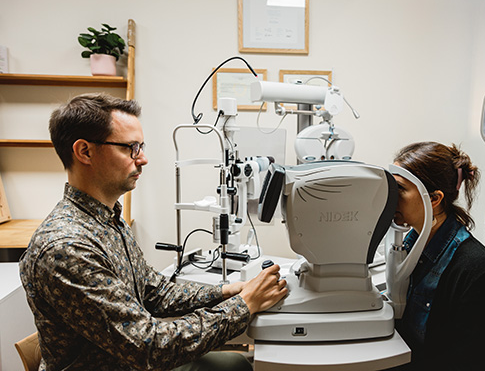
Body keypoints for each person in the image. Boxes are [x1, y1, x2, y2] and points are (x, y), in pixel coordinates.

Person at [19, 93, 288, 371]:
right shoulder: (67, 247)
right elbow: (149, 346)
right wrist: (243, 305)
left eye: (141, 146)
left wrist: (224, 292)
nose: (143, 159)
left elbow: (154, 292)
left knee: (232, 364)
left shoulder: (107, 219)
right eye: (130, 148)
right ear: (85, 151)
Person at [390, 141, 485, 370]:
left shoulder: (475, 271)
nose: (390, 198)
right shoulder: (413, 245)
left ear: (434, 200)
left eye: (399, 189)